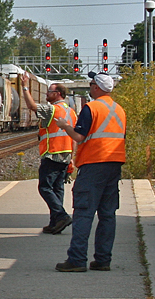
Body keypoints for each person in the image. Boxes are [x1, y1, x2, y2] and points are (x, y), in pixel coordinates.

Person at [54, 71, 126, 272]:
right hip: (114, 164)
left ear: (97, 88)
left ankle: (77, 259)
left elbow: (78, 137)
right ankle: (103, 260)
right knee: (107, 214)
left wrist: (65, 126)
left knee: (84, 213)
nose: (90, 86)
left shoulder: (91, 108)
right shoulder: (119, 110)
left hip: (94, 164)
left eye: (92, 83)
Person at [19, 72, 76, 234]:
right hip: (66, 155)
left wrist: (25, 87)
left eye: (49, 92)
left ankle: (61, 216)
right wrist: (73, 158)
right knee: (57, 189)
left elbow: (32, 106)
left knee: (45, 187)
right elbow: (75, 137)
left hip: (53, 154)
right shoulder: (71, 112)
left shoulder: (52, 110)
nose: (47, 94)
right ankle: (55, 223)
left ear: (58, 94)